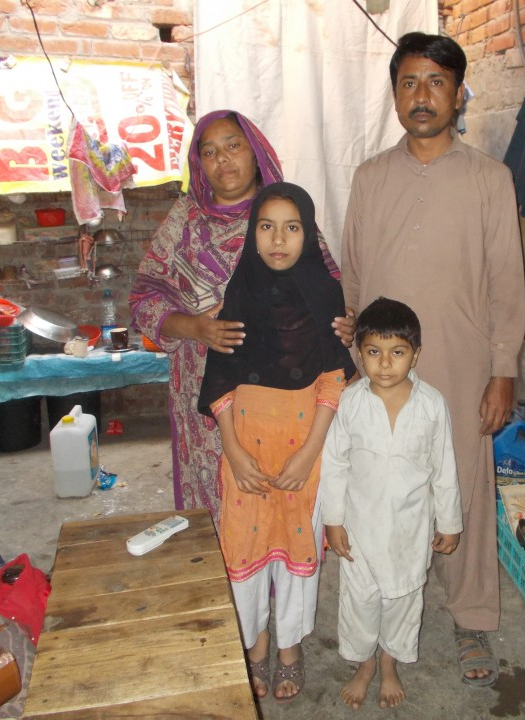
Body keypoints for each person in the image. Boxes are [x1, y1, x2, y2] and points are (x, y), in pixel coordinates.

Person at [340, 32, 525, 687]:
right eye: (410, 83)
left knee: (462, 488)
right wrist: (357, 359)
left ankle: (470, 616)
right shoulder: (369, 179)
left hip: (461, 362)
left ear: (458, 93)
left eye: (437, 82)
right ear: (395, 93)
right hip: (381, 369)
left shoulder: (490, 179)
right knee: (382, 487)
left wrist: (502, 371)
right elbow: (354, 277)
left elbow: (507, 283)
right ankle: (376, 612)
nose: (422, 96)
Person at [129, 110, 354, 526]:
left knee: (282, 495)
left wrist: (345, 321)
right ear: (199, 163)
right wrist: (195, 327)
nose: (223, 159)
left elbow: (328, 291)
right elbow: (143, 300)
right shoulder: (184, 221)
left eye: (233, 145)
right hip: (205, 388)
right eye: (209, 151)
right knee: (217, 500)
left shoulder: (284, 213)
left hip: (285, 393)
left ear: (256, 152)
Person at [197, 182, 356, 704]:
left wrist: (309, 453)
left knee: (294, 546)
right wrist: (232, 450)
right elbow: (219, 380)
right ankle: (255, 644)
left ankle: (289, 648)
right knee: (245, 546)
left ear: (309, 234)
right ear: (252, 233)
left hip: (303, 449)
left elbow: (334, 378)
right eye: (266, 227)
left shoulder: (325, 294)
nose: (279, 239)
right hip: (246, 449)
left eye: (292, 227)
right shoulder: (240, 291)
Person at [321, 297, 462, 709]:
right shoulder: (351, 402)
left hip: (410, 529)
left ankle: (388, 663)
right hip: (359, 529)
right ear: (359, 354)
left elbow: (444, 468)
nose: (385, 364)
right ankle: (364, 663)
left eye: (397, 352)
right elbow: (335, 464)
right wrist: (333, 520)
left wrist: (449, 522)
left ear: (415, 355)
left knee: (403, 600)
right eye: (373, 352)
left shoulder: (432, 405)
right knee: (359, 601)